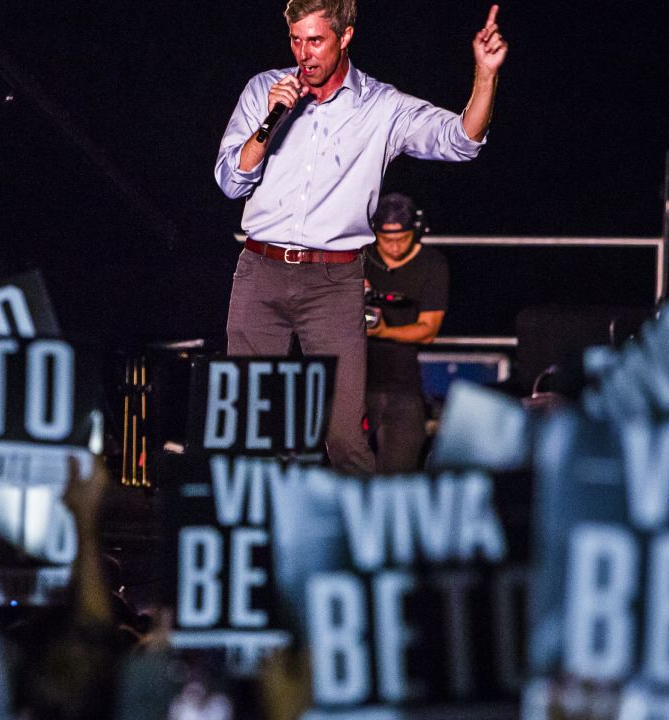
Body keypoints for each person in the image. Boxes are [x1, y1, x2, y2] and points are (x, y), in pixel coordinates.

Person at [214, 0, 508, 476]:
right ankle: (251, 543)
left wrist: (485, 74)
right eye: (295, 40)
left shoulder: (381, 106)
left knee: (344, 435)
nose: (303, 54)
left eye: (316, 40)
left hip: (333, 282)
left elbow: (461, 141)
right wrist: (270, 123)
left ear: (345, 36)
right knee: (249, 426)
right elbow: (230, 182)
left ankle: (358, 545)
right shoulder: (263, 89)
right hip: (260, 272)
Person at [363, 193, 447, 474]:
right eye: (387, 238)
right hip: (356, 378)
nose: (395, 245)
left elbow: (428, 330)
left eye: (402, 237)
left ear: (417, 231)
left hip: (403, 383)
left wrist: (385, 330)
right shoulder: (358, 258)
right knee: (345, 466)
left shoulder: (432, 264)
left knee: (400, 473)